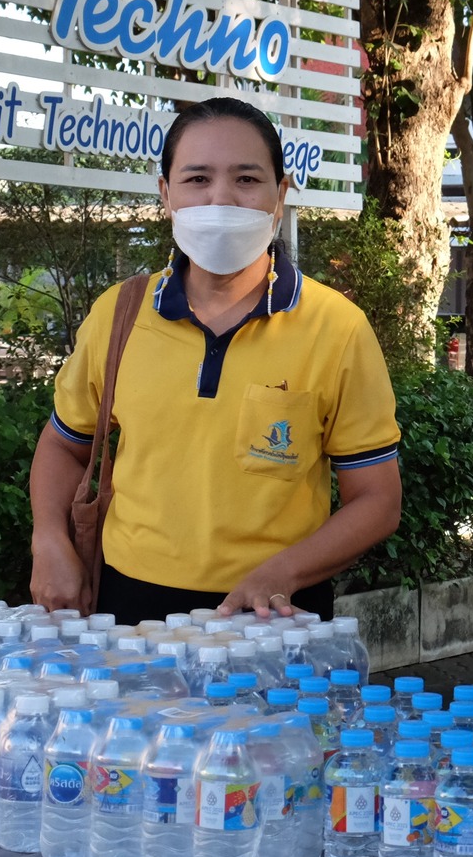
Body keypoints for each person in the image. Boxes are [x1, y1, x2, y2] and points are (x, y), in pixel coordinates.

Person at [28, 97, 402, 623]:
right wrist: (48, 541)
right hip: (130, 609)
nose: (220, 198)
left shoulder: (337, 328)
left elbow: (378, 499)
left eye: (247, 180)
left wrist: (284, 573)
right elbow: (64, 446)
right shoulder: (118, 314)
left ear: (280, 195)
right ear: (166, 194)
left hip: (277, 616)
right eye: (197, 179)